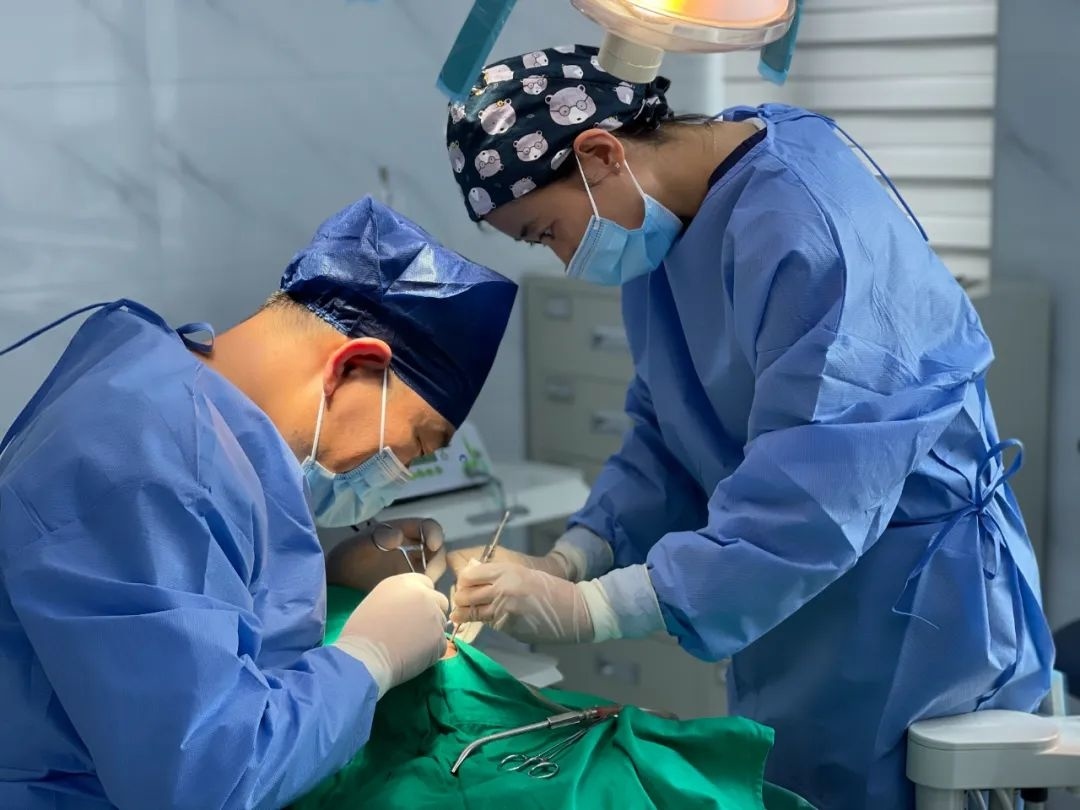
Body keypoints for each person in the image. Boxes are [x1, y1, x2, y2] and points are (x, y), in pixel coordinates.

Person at [442, 44, 1054, 809]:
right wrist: (574, 557)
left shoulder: (808, 225)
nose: (563, 258)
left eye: (544, 232)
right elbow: (671, 429)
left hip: (912, 607)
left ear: (600, 155)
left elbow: (816, 493)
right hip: (797, 607)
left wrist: (595, 610)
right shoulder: (669, 229)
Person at [0, 196, 517, 810]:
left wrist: (335, 576)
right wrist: (369, 659)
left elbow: (162, 620)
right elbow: (207, 782)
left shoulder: (173, 397)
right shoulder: (148, 463)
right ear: (353, 365)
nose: (399, 474)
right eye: (418, 443)